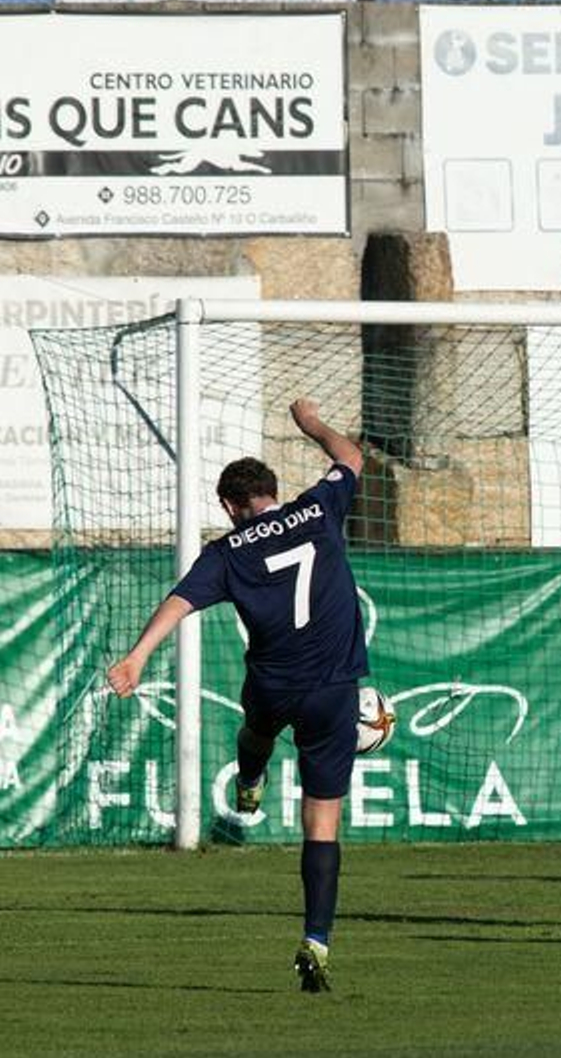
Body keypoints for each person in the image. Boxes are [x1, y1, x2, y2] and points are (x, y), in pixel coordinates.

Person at [107, 398, 367, 993]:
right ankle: (317, 939)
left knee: (256, 729)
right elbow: (351, 457)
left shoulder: (227, 552)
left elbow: (179, 602)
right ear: (272, 491)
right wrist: (312, 425)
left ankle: (251, 777)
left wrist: (139, 656)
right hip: (334, 690)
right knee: (322, 824)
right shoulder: (318, 509)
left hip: (274, 685)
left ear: (228, 506)